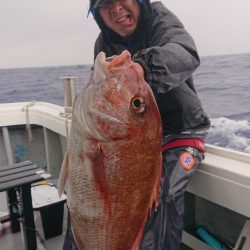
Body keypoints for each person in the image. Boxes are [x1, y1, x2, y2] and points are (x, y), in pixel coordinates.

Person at [63, 0, 210, 249]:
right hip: (127, 139)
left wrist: (142, 68)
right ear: (98, 14)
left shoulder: (159, 19)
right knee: (80, 201)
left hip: (180, 132)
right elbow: (102, 93)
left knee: (163, 197)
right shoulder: (103, 42)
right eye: (105, 3)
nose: (116, 7)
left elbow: (185, 52)